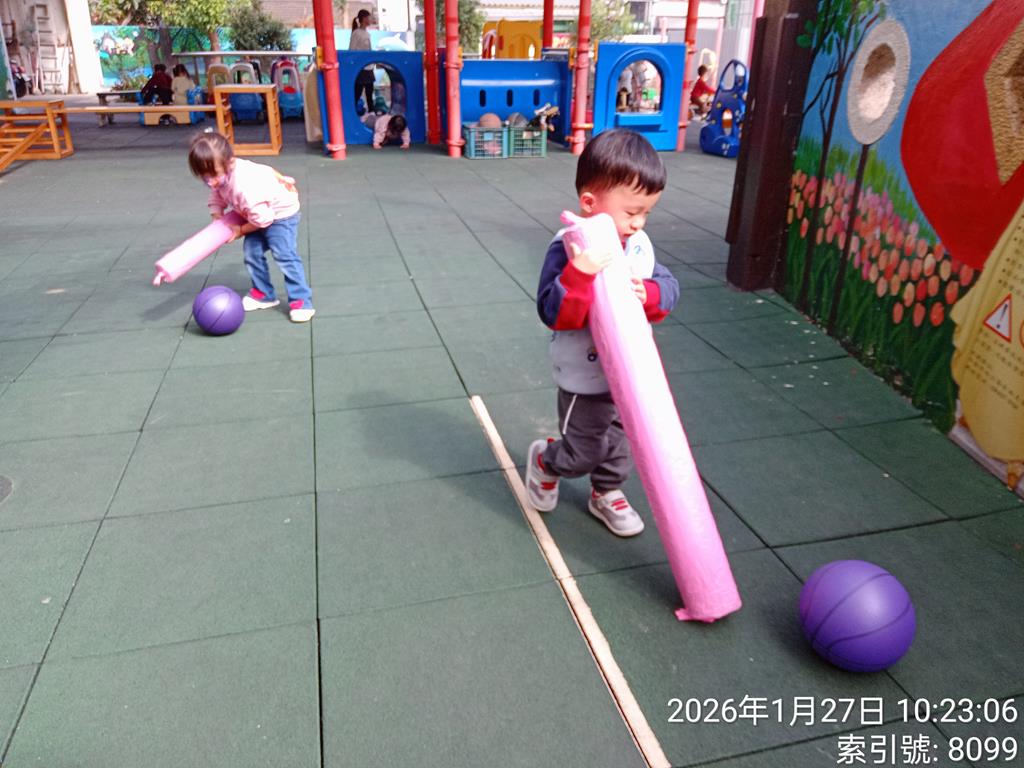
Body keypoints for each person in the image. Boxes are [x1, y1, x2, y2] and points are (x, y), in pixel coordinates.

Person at [525, 129, 679, 537]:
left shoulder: (638, 245)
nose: (638, 223)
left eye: (647, 213)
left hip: (631, 371)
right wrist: (580, 274)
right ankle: (546, 461)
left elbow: (669, 287)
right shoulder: (569, 248)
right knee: (584, 449)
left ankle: (606, 491)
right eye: (631, 212)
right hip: (586, 377)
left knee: (622, 444)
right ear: (590, 203)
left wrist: (648, 292)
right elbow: (553, 312)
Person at [187, 131, 315, 323]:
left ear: (229, 163)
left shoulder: (244, 186)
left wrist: (240, 230)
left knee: (284, 255)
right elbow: (217, 194)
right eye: (205, 177)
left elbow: (263, 220)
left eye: (213, 175)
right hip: (256, 213)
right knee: (251, 253)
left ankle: (301, 301)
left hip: (280, 215)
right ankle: (264, 294)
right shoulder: (220, 177)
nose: (211, 181)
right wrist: (217, 216)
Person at [350, 9, 375, 111]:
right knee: (357, 92)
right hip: (361, 68)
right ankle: (351, 112)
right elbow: (352, 50)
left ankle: (371, 112)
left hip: (369, 67)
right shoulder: (356, 33)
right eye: (369, 17)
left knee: (370, 93)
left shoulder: (367, 33)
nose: (370, 19)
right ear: (364, 19)